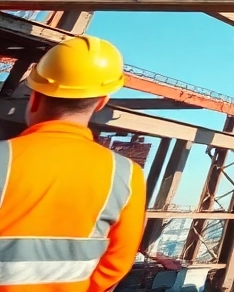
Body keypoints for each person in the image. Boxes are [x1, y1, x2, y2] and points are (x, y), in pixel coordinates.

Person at [0, 35, 146, 292]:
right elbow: (117, 264)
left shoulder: (5, 157)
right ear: (101, 102)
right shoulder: (125, 174)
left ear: (34, 97)